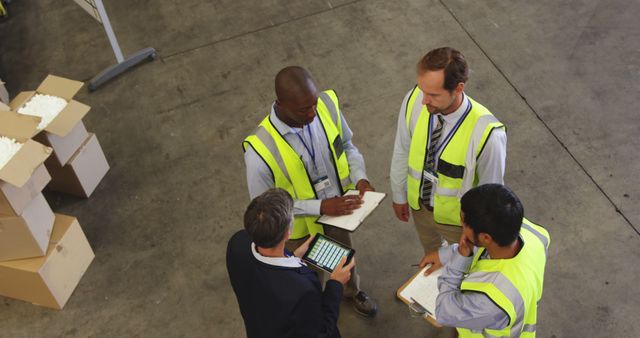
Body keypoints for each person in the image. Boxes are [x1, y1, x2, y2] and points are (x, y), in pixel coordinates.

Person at [243, 66, 378, 316]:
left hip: (338, 211)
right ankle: (315, 312)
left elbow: (347, 145)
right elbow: (264, 209)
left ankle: (352, 292)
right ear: (281, 104)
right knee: (307, 278)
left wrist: (360, 178)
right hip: (297, 230)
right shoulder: (260, 151)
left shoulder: (325, 105)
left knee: (343, 260)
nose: (313, 112)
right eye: (304, 109)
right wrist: (320, 207)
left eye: (314, 104)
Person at [390, 47, 507, 256]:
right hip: (420, 208)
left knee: (464, 271)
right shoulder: (415, 99)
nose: (424, 100)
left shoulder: (488, 135)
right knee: (431, 257)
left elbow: (491, 194)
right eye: (422, 90)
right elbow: (402, 147)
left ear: (458, 88)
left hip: (459, 226)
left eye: (434, 95)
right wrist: (399, 194)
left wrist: (474, 231)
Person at [419, 184, 550, 337]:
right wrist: (447, 254)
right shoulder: (530, 233)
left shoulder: (491, 301)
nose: (461, 224)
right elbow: (481, 248)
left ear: (486, 237)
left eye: (463, 221)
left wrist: (457, 263)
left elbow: (444, 311)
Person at [226, 188, 355, 338]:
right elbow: (322, 331)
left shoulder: (237, 243)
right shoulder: (301, 291)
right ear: (288, 233)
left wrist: (293, 256)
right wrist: (336, 284)